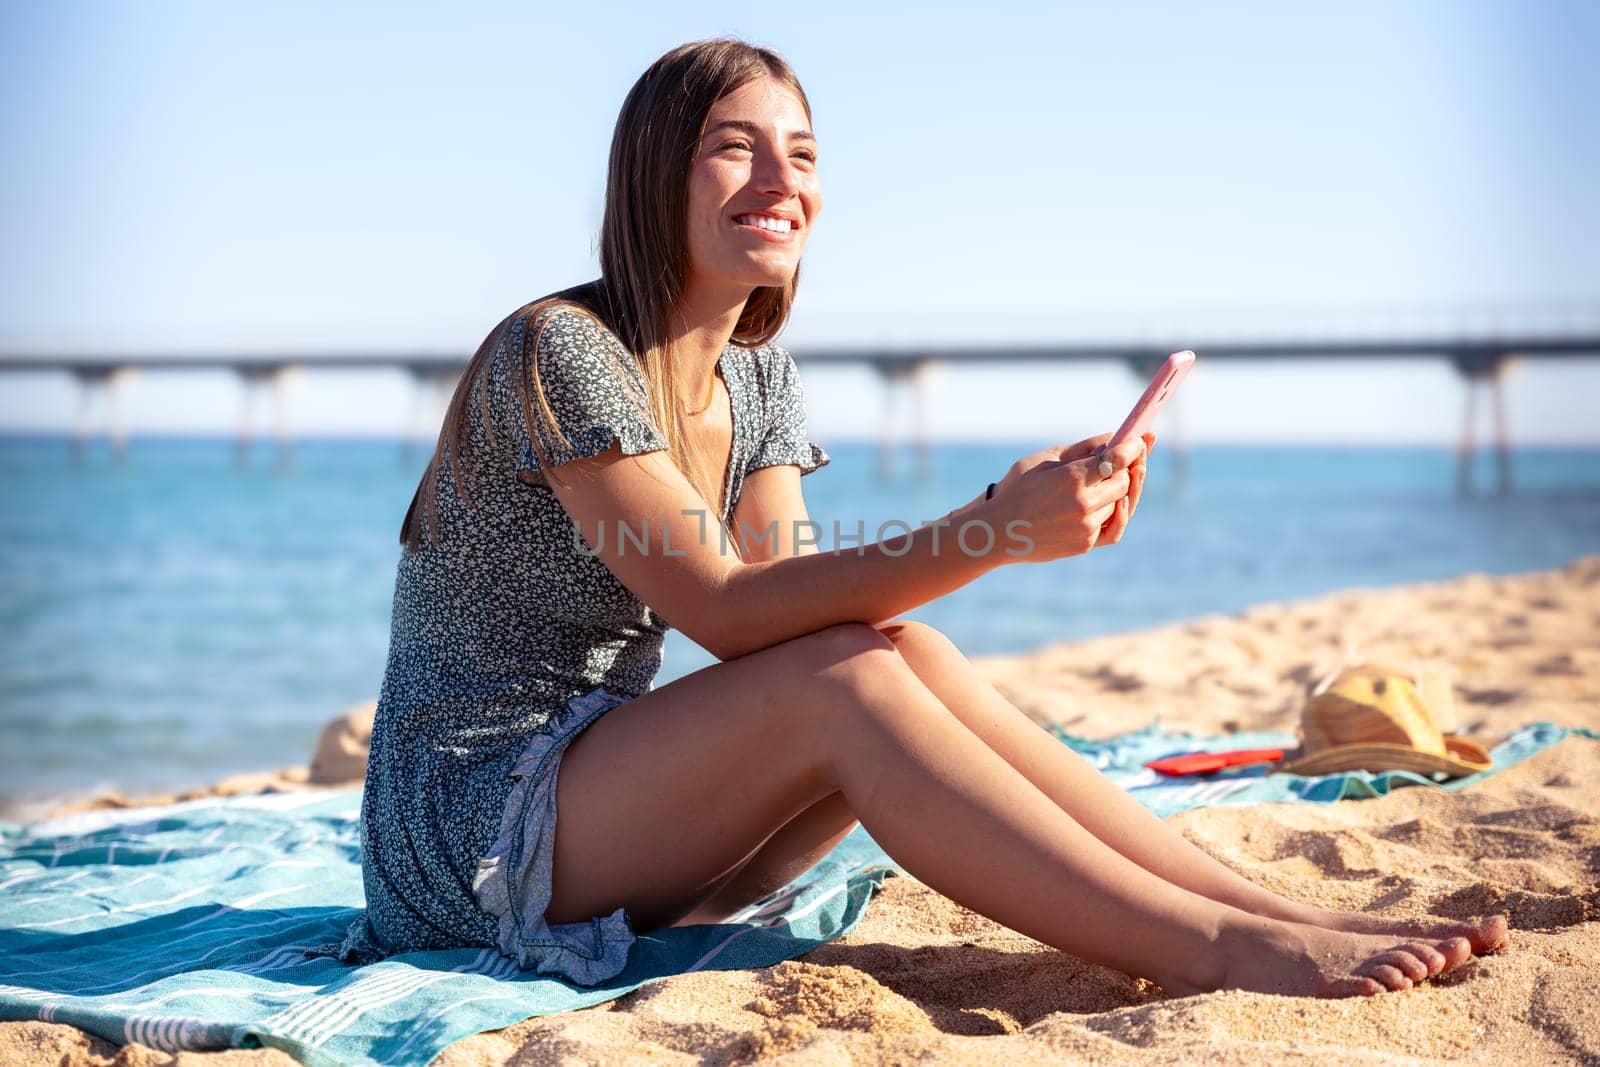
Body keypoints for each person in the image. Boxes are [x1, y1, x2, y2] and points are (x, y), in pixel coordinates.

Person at [336, 37, 1508, 998]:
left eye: (800, 154)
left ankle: (1266, 909)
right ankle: (1219, 950)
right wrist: (996, 528)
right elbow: (733, 619)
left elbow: (786, 596)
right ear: (653, 174)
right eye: (731, 149)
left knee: (900, 653)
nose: (779, 180)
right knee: (843, 682)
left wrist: (1015, 513)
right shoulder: (560, 350)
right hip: (472, 826)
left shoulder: (757, 378)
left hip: (621, 819)